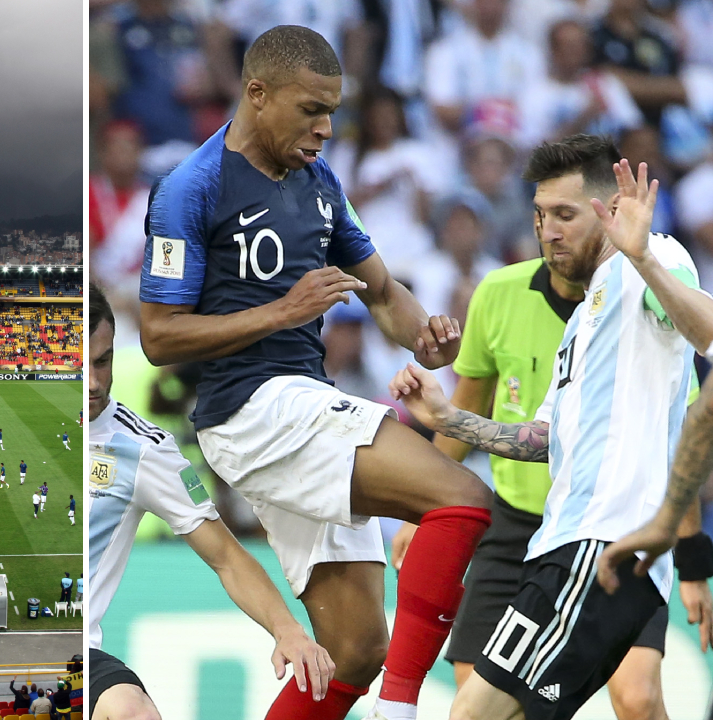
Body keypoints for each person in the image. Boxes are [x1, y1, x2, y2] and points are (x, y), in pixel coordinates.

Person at [136, 25, 495, 720]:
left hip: (300, 406)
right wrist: (282, 312)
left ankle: (380, 687)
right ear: (257, 93)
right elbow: (158, 335)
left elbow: (384, 295)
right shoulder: (191, 188)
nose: (326, 129)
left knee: (354, 648)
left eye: (333, 111)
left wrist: (428, 340)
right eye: (311, 110)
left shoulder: (321, 182)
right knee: (463, 500)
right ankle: (402, 706)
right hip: (249, 409)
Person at [390, 142, 713, 719]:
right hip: (564, 550)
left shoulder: (652, 261)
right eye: (541, 216)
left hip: (595, 550)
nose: (549, 231)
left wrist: (642, 257)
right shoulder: (585, 318)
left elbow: (707, 331)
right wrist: (447, 419)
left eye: (566, 214)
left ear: (613, 209)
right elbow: (542, 440)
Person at [88, 283, 336, 718]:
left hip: (72, 652)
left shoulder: (142, 448)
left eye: (102, 362)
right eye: (77, 366)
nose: (93, 382)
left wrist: (287, 630)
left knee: (132, 711)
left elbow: (226, 556)